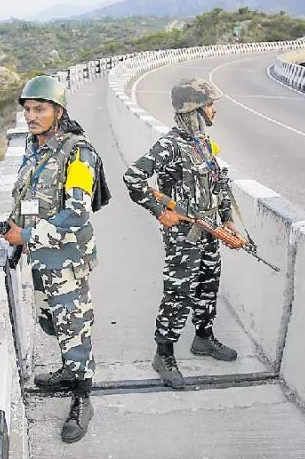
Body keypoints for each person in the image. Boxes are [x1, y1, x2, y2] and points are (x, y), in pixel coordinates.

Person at [3, 75, 107, 443]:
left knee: (74, 328)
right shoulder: (35, 149)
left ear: (58, 111)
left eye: (39, 109)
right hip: (42, 260)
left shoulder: (78, 153)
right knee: (54, 323)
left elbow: (77, 213)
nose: (31, 116)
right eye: (28, 110)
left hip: (66, 262)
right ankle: (68, 371)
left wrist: (26, 235)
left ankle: (82, 398)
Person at [122, 77, 239, 389]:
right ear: (194, 110)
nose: (215, 111)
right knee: (178, 293)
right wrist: (161, 212)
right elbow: (133, 177)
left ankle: (203, 338)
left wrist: (226, 217)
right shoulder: (170, 146)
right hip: (184, 237)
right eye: (210, 105)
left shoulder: (202, 144)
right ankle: (164, 353)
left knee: (207, 285)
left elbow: (217, 183)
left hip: (210, 230)